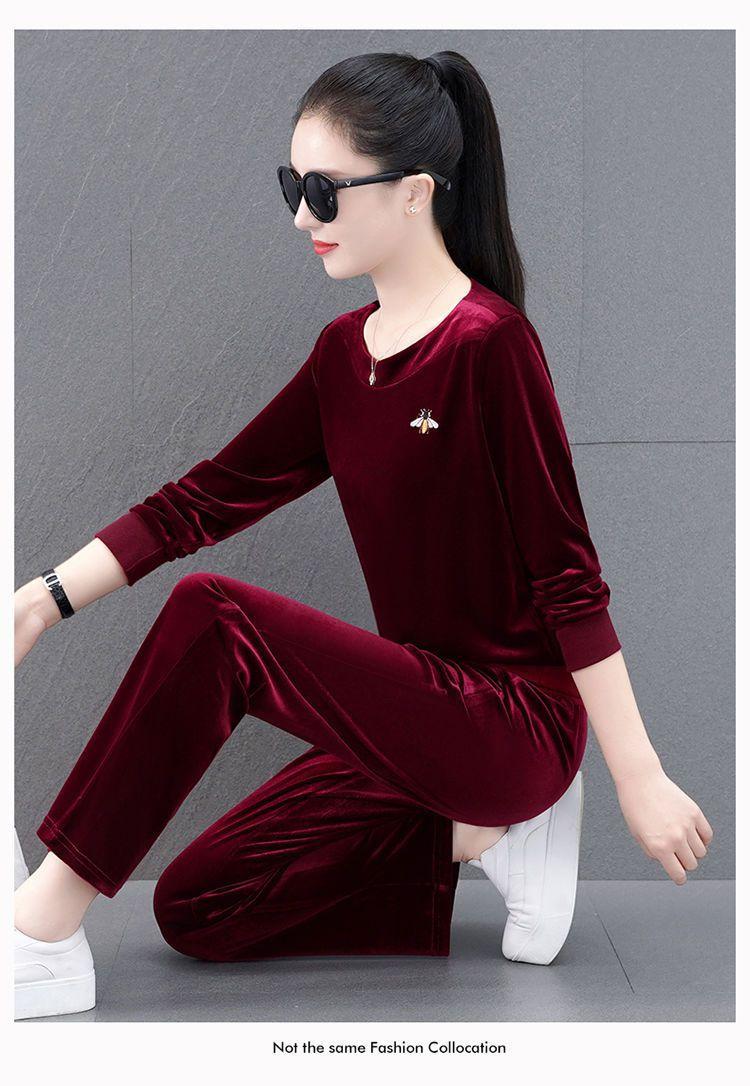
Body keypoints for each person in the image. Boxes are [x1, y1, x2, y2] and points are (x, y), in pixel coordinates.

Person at [13, 48, 713, 1021]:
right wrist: (40, 602)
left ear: (414, 192)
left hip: (514, 723)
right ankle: (483, 834)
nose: (302, 218)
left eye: (323, 191)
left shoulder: (490, 346)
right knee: (198, 908)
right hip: (416, 724)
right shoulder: (344, 355)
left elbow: (569, 580)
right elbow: (205, 498)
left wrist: (640, 779)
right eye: (290, 187)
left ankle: (41, 932)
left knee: (217, 618)